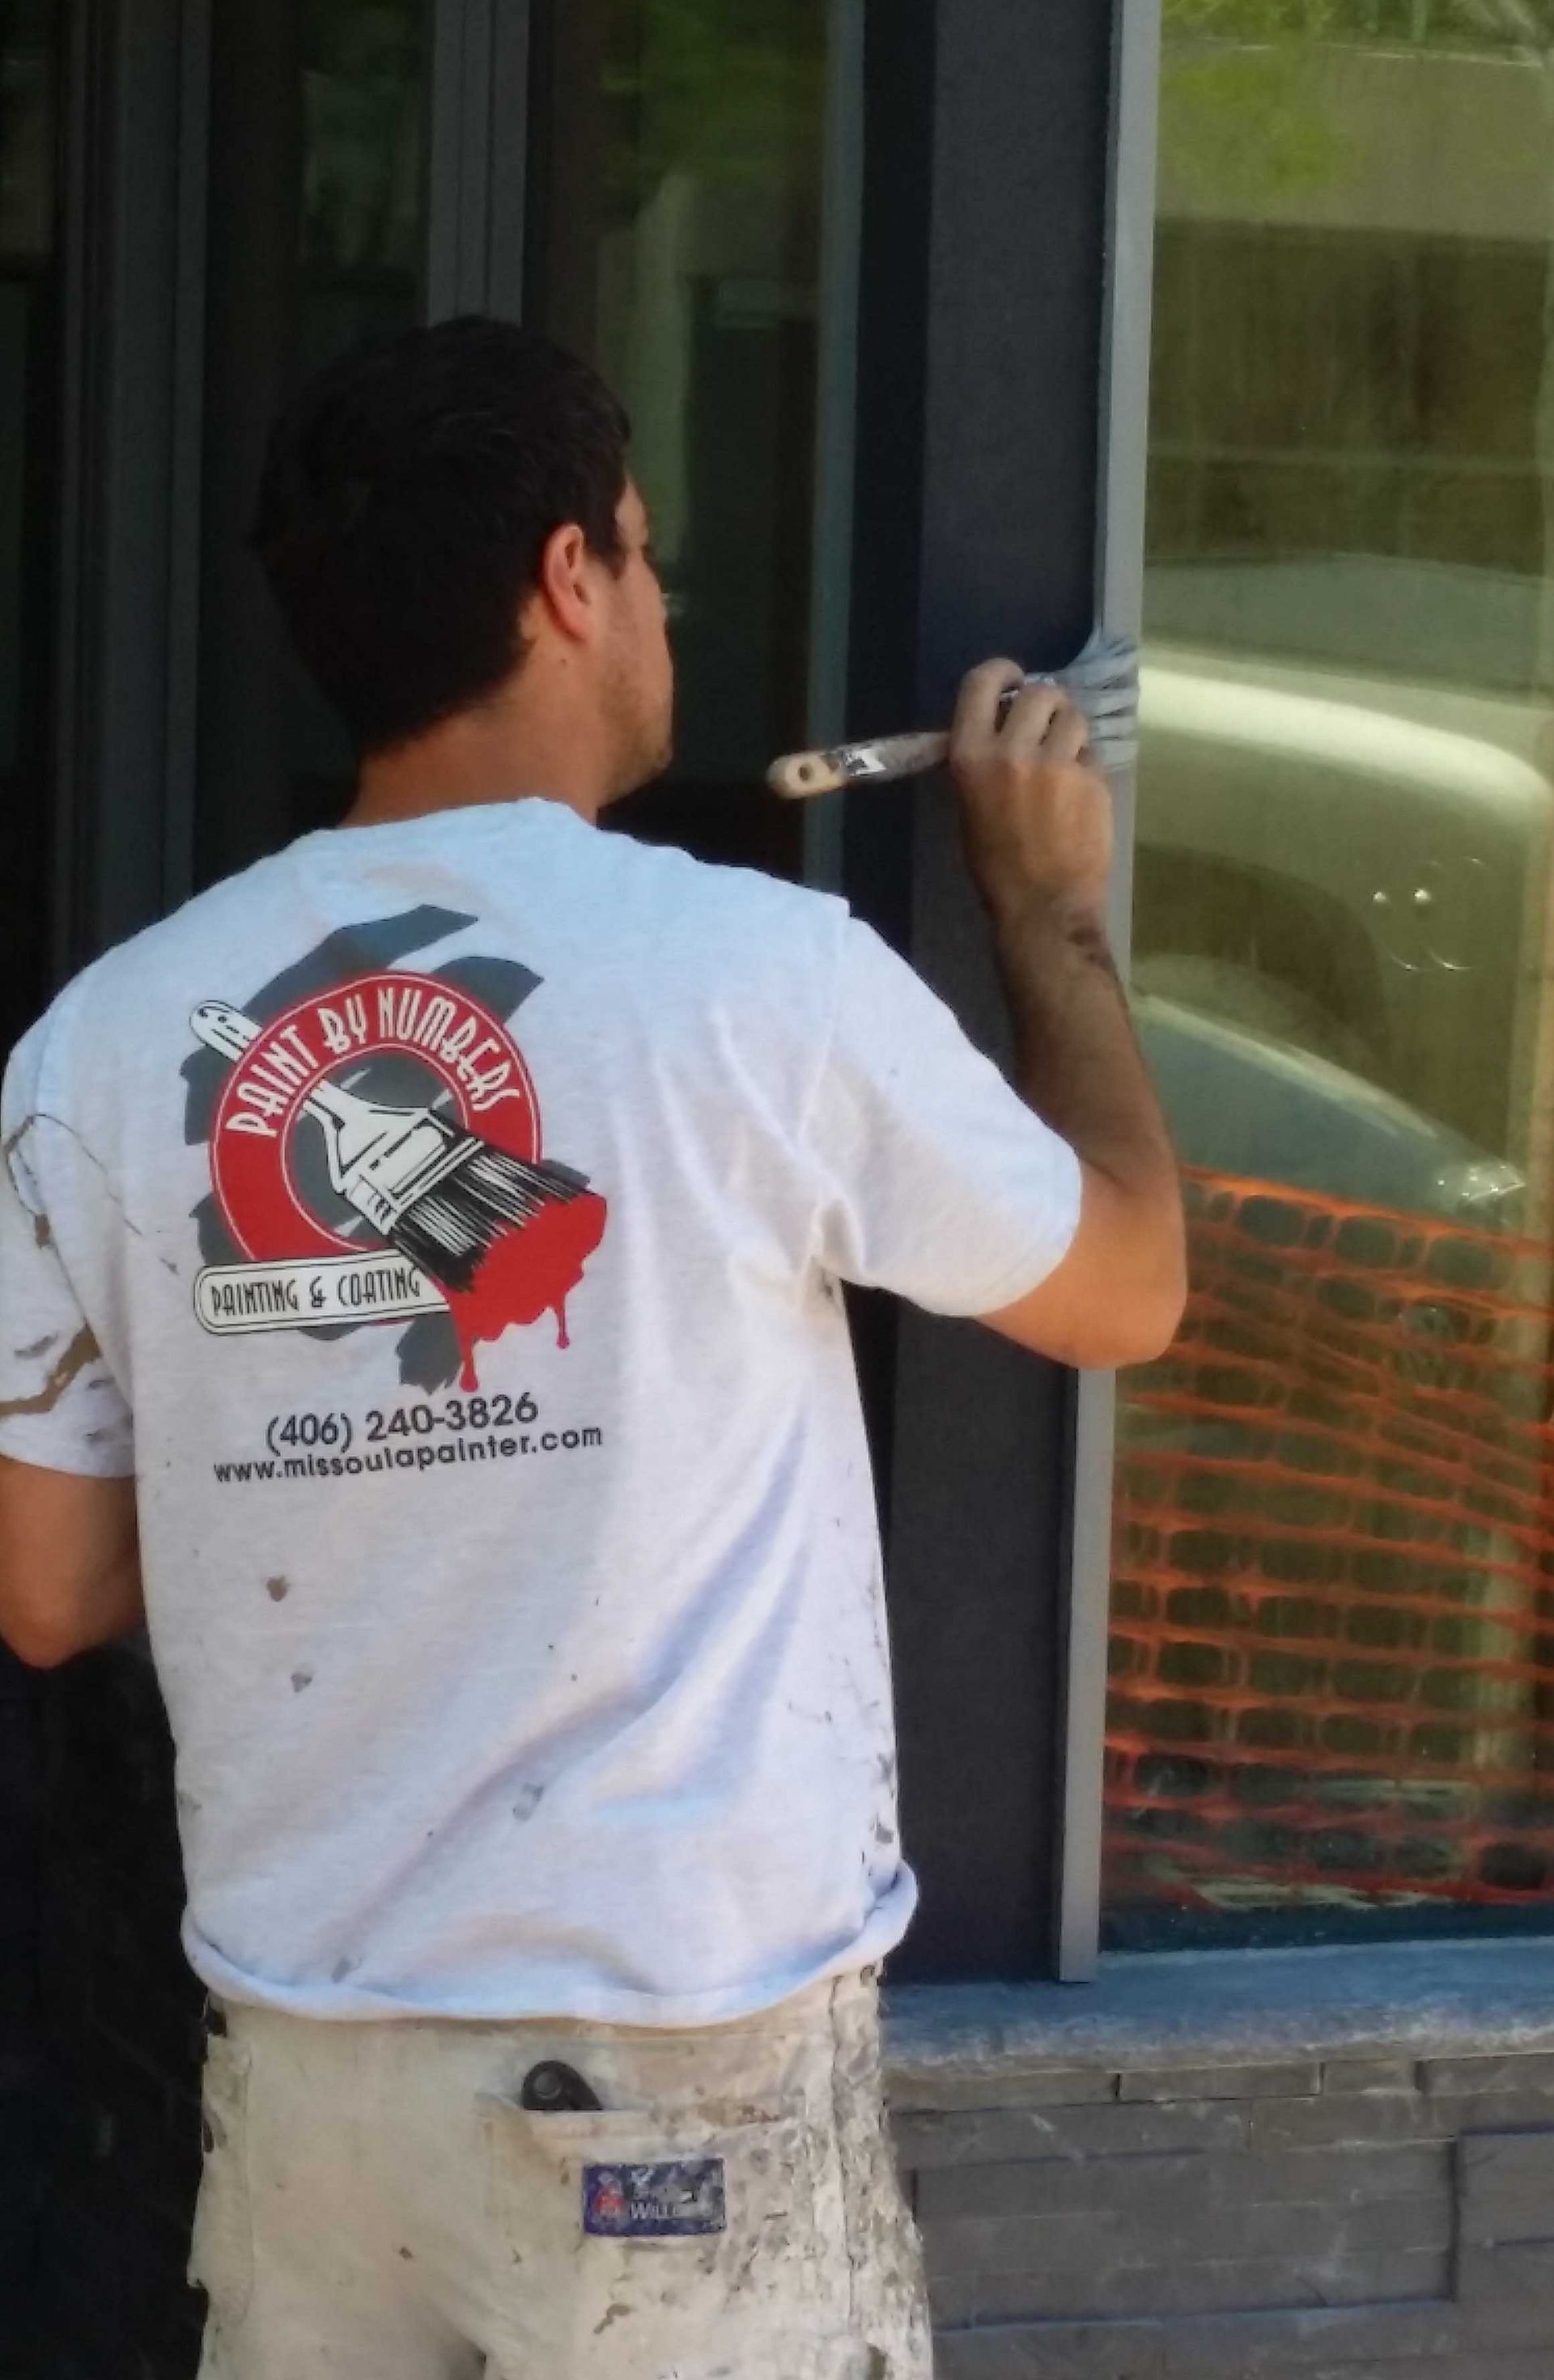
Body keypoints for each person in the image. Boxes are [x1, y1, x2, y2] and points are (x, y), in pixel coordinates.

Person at [0, 317, 1184, 2379]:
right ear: (569, 577)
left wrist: (324, 1454)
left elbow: (50, 1591)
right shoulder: (755, 979)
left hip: (310, 2086)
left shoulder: (95, 1047)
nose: (657, 604)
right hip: (672, 2071)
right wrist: (1048, 914)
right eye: (642, 552)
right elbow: (1128, 1291)